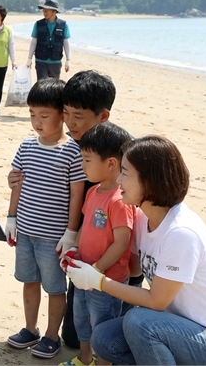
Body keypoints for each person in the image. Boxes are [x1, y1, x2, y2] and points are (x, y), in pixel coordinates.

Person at [67, 136, 206, 365]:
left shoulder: (181, 232)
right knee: (105, 338)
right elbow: (132, 269)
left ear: (149, 182)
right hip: (180, 327)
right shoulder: (143, 218)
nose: (119, 180)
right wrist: (77, 256)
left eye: (125, 173)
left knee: (139, 322)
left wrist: (97, 280)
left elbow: (157, 301)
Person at [9, 70, 131, 350]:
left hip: (109, 252)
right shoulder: (58, 145)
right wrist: (15, 186)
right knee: (75, 337)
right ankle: (34, 329)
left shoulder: (119, 152)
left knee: (94, 329)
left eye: (78, 116)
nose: (69, 122)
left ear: (103, 116)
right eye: (65, 113)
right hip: (78, 246)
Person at [4, 78, 86, 359]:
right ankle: (30, 328)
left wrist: (71, 233)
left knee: (54, 287)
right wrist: (11, 218)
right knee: (29, 281)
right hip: (25, 231)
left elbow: (77, 195)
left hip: (53, 237)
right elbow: (17, 184)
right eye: (32, 114)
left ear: (62, 115)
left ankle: (52, 335)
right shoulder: (26, 146)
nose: (36, 122)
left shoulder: (72, 152)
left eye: (44, 115)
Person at [59, 122, 135, 366]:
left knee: (102, 325)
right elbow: (85, 225)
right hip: (83, 273)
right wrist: (74, 250)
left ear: (111, 163)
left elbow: (121, 242)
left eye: (87, 160)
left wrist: (97, 271)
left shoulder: (120, 200)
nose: (82, 165)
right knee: (81, 320)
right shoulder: (93, 192)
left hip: (106, 280)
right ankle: (85, 359)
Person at [27, 0, 71, 81]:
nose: (44, 13)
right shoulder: (38, 24)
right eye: (43, 11)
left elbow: (66, 43)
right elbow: (33, 42)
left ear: (54, 11)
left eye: (47, 11)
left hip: (56, 61)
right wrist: (29, 58)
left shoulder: (63, 25)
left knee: (54, 86)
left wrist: (68, 60)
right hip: (40, 61)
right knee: (41, 85)